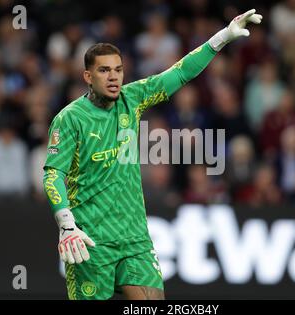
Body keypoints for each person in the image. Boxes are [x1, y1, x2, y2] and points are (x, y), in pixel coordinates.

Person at [42, 10, 263, 300]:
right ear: (87, 76)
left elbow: (181, 72)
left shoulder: (132, 99)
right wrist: (66, 224)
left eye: (118, 70)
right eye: (104, 70)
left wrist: (222, 37)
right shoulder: (70, 119)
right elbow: (53, 173)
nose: (113, 77)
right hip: (90, 240)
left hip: (134, 239)